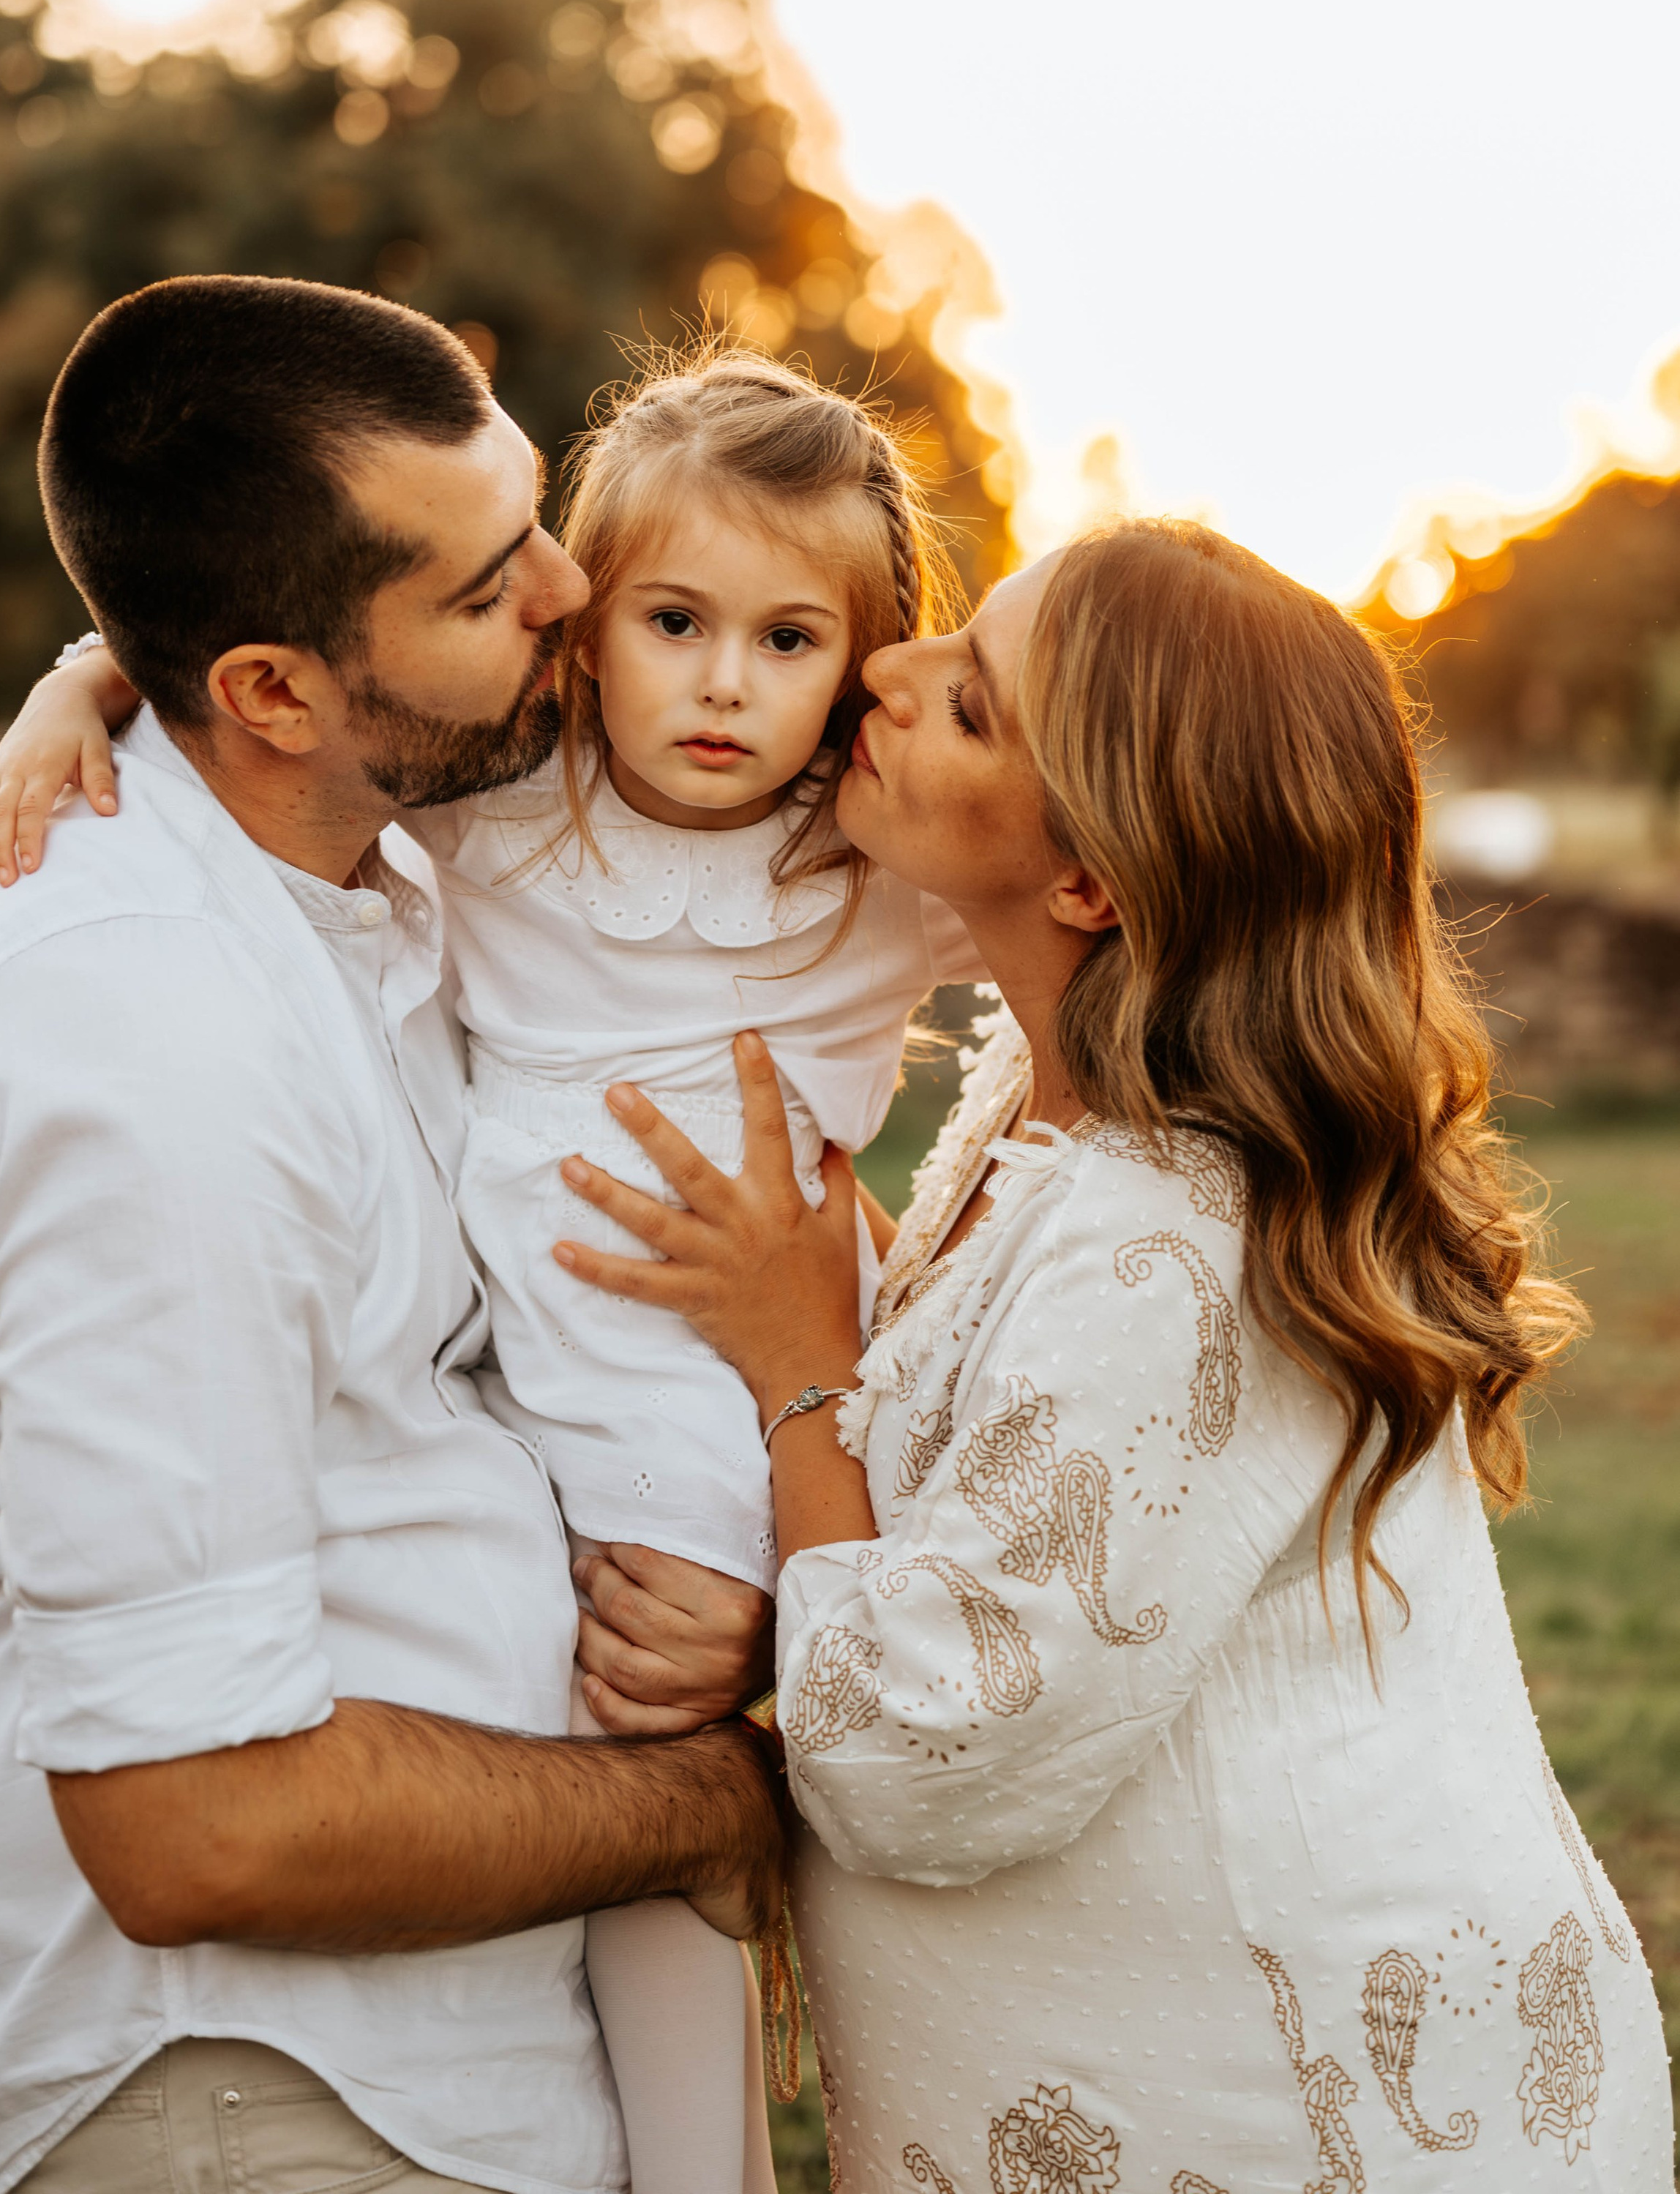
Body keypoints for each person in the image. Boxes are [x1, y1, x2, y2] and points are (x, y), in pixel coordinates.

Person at [0, 343, 986, 2194]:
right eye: (506, 580)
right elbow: (185, 1821)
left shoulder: (437, 867)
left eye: (543, 540)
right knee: (681, 1780)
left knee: (692, 1749)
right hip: (259, 2073)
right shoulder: (262, 954)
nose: (565, 601)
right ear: (276, 691)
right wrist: (84, 683)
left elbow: (1104, 840)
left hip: (695, 1402)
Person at [552, 518, 1677, 2191]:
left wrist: (798, 1370)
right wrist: (104, 686)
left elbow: (923, 1751)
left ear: (1086, 878)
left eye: (972, 706)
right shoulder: (1049, 1103)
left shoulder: (1178, 1237)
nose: (883, 668)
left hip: (1296, 2121)